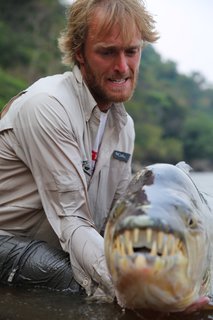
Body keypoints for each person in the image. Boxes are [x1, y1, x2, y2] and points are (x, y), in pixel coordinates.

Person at [0, 0, 158, 301]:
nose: (123, 67)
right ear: (79, 54)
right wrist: (142, 293)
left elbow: (115, 223)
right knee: (83, 283)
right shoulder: (47, 106)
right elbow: (73, 221)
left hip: (52, 244)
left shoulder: (124, 127)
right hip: (7, 242)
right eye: (107, 52)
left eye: (131, 51)